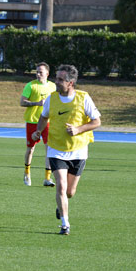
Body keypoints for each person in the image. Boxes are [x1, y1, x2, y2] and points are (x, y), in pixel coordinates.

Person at [32, 64, 101, 235]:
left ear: (70, 83)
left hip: (78, 150)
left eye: (60, 79)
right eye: (56, 78)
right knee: (61, 187)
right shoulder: (51, 98)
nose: (56, 82)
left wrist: (78, 129)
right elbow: (43, 116)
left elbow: (97, 122)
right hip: (56, 149)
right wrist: (38, 131)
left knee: (70, 192)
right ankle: (65, 224)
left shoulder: (84, 98)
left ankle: (61, 207)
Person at [20, 62, 56, 187]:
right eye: (37, 72)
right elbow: (22, 102)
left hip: (48, 122)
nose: (38, 74)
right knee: (30, 149)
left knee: (49, 149)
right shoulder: (31, 86)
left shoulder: (53, 86)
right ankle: (27, 172)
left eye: (41, 72)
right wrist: (37, 103)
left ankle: (47, 178)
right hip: (33, 121)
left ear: (47, 73)